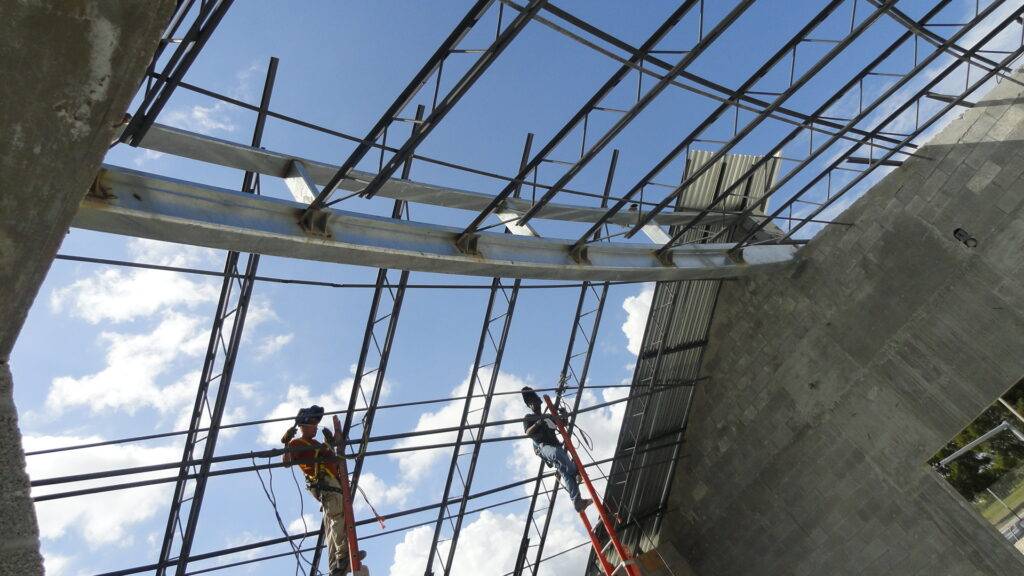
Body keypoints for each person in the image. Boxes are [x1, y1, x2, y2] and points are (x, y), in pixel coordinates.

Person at [281, 405, 365, 576]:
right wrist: (287, 444)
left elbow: (333, 460)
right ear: (303, 426)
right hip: (327, 487)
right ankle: (343, 557)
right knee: (338, 518)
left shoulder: (318, 444)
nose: (316, 428)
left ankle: (336, 566)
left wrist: (332, 442)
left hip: (333, 486)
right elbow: (287, 462)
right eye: (313, 424)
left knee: (332, 525)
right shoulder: (298, 443)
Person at [521, 387, 593, 513]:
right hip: (544, 447)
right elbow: (527, 432)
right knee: (557, 454)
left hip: (556, 446)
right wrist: (538, 423)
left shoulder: (547, 416)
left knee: (565, 473)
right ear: (529, 406)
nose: (535, 405)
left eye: (536, 402)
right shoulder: (529, 418)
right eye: (531, 403)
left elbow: (562, 423)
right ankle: (575, 472)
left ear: (539, 402)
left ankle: (578, 502)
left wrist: (563, 414)